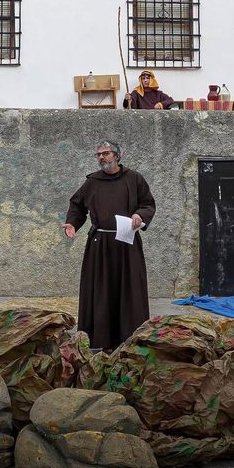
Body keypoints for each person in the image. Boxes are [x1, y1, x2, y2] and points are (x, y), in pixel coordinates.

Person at [63, 140, 156, 351]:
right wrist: (72, 223)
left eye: (106, 153)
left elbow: (148, 204)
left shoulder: (134, 179)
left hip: (127, 244)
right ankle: (100, 339)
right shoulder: (92, 182)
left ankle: (130, 338)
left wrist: (139, 215)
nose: (101, 158)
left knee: (129, 290)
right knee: (100, 292)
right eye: (98, 155)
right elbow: (77, 205)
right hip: (100, 246)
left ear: (117, 156)